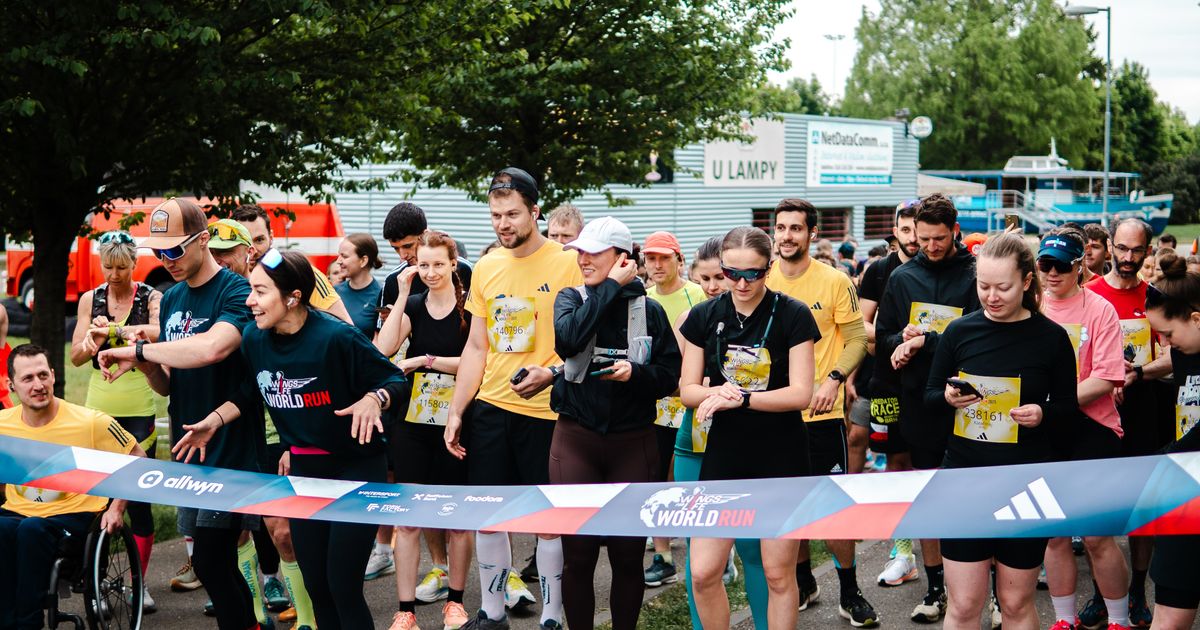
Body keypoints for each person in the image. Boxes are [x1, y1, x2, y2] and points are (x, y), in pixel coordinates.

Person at [174, 248, 406, 630]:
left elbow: (393, 380)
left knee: (342, 586)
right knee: (317, 586)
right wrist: (214, 420)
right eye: (251, 289)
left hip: (357, 469)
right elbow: (252, 390)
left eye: (260, 291)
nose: (250, 301)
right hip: (305, 470)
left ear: (293, 297)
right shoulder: (254, 338)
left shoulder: (336, 338)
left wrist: (372, 399)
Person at [98, 197, 266, 630]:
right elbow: (169, 384)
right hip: (189, 448)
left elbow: (214, 348)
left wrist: (137, 345)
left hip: (230, 447)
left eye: (175, 249)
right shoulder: (171, 298)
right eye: (159, 251)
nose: (167, 260)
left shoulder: (234, 290)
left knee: (211, 559)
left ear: (204, 239)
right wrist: (147, 364)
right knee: (212, 565)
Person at [444, 167, 583, 630]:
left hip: (548, 413)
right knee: (488, 516)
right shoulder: (485, 266)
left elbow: (591, 341)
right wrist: (456, 410)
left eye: (512, 214)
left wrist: (554, 372)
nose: (503, 224)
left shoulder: (569, 261)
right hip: (492, 408)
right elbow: (477, 347)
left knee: (547, 520)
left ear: (535, 212)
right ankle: (492, 610)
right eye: (495, 215)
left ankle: (551, 614)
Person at [924, 232, 1078, 630]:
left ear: (1027, 282)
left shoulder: (1052, 338)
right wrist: (946, 398)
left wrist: (1042, 414)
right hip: (964, 479)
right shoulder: (959, 332)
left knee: (1015, 602)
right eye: (984, 286)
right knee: (964, 604)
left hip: (1025, 482)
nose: (991, 296)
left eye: (1003, 287)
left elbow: (1068, 409)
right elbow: (927, 397)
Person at [680, 226, 818, 630]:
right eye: (731, 273)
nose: (741, 283)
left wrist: (741, 398)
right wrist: (716, 392)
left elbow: (801, 394)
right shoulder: (705, 315)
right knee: (704, 573)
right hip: (725, 454)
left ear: (769, 268)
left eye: (753, 274)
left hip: (782, 454)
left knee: (778, 574)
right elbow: (687, 388)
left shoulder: (793, 313)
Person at [550, 216, 681, 630]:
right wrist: (608, 290)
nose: (583, 259)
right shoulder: (570, 298)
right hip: (576, 440)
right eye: (580, 252)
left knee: (627, 558)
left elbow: (671, 376)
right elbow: (568, 341)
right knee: (579, 557)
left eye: (594, 252)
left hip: (633, 443)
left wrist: (635, 374)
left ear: (623, 259)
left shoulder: (651, 310)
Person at [765, 199, 875, 627]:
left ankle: (849, 590)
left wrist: (832, 380)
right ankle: (803, 580)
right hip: (772, 415)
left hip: (820, 415)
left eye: (796, 228)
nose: (787, 235)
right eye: (781, 227)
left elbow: (856, 341)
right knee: (789, 505)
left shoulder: (835, 280)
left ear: (812, 233)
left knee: (831, 508)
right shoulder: (763, 279)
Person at [876, 193, 980, 623]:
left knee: (972, 500)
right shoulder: (902, 277)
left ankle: (983, 588)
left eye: (939, 238)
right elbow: (881, 339)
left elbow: (982, 338)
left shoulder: (976, 275)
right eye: (923, 239)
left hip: (969, 401)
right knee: (928, 497)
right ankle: (936, 586)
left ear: (955, 230)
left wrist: (928, 341)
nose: (932, 247)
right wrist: (900, 343)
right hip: (920, 402)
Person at [212, 226, 316, 630]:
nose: (224, 259)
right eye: (217, 252)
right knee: (236, 531)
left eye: (232, 251)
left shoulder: (278, 289)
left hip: (279, 436)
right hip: (234, 432)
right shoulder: (223, 298)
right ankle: (255, 614)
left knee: (283, 532)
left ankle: (306, 617)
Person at [0, 344, 147, 629]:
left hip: (74, 518)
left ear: (53, 376)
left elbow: (138, 459)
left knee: (31, 531)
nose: (38, 385)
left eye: (43, 375)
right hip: (18, 514)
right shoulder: (3, 425)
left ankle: (27, 624)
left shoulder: (90, 422)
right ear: (11, 385)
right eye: (28, 379)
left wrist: (116, 508)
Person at [371, 201, 474, 597]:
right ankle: (437, 567)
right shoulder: (401, 282)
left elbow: (479, 352)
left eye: (409, 246)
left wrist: (428, 360)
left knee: (458, 497)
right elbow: (385, 347)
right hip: (416, 406)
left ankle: (489, 576)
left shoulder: (464, 271)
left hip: (460, 403)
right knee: (418, 492)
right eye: (397, 250)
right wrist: (402, 292)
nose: (407, 258)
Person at [1035, 229, 1132, 630]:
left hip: (1093, 427)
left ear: (1081, 266)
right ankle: (1064, 620)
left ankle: (1120, 620)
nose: (1052, 273)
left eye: (1061, 266)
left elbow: (1108, 378)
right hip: (1044, 431)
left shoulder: (1100, 309)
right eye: (1045, 264)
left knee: (1095, 536)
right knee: (1055, 536)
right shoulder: (1030, 308)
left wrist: (1054, 405)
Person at [68, 229, 163, 613]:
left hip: (138, 403)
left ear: (134, 265)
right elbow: (75, 355)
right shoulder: (91, 299)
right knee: (100, 495)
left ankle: (138, 583)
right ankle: (100, 579)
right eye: (107, 266)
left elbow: (159, 335)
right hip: (99, 403)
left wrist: (116, 330)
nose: (113, 274)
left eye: (121, 267)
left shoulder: (151, 297)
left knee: (136, 497)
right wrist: (90, 343)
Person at [674, 236, 763, 629]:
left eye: (719, 277)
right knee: (699, 557)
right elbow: (677, 383)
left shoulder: (757, 315)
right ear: (693, 276)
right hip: (693, 442)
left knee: (754, 550)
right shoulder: (689, 321)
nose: (714, 285)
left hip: (744, 443)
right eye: (707, 277)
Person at [1085, 217, 1161, 627]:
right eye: (1122, 248)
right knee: (1101, 509)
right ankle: (1101, 594)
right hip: (1097, 416)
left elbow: (1174, 353)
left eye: (1137, 250)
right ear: (1109, 244)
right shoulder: (1089, 294)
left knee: (1141, 509)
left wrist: (1138, 373)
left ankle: (1137, 594)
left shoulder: (1156, 298)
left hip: (1144, 411)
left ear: (1148, 251)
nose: (1128, 258)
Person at [857, 200, 923, 588]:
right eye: (907, 230)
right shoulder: (879, 271)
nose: (914, 238)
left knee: (933, 465)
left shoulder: (949, 269)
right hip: (887, 381)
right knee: (895, 466)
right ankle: (902, 552)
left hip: (933, 383)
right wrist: (897, 340)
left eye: (920, 230)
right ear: (895, 230)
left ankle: (949, 557)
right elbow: (860, 327)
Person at [641, 229, 706, 587]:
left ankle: (707, 549)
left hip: (691, 401)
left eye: (664, 257)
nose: (657, 264)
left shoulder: (695, 295)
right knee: (654, 474)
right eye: (651, 258)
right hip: (654, 402)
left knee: (688, 476)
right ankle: (663, 555)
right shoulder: (642, 298)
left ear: (679, 260)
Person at [1142, 256, 1200, 629]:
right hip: (1185, 493)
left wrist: (1165, 458)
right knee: (1169, 610)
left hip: (1179, 469)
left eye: (1168, 334)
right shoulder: (1183, 353)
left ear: (1196, 319)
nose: (1165, 344)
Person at [232, 203, 353, 324]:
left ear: (271, 237)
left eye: (259, 240)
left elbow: (345, 326)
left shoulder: (298, 272)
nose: (252, 249)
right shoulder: (225, 278)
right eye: (245, 241)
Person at [334, 232, 385, 338]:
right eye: (339, 255)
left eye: (344, 256)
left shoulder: (381, 295)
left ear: (363, 260)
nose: (338, 261)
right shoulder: (334, 291)